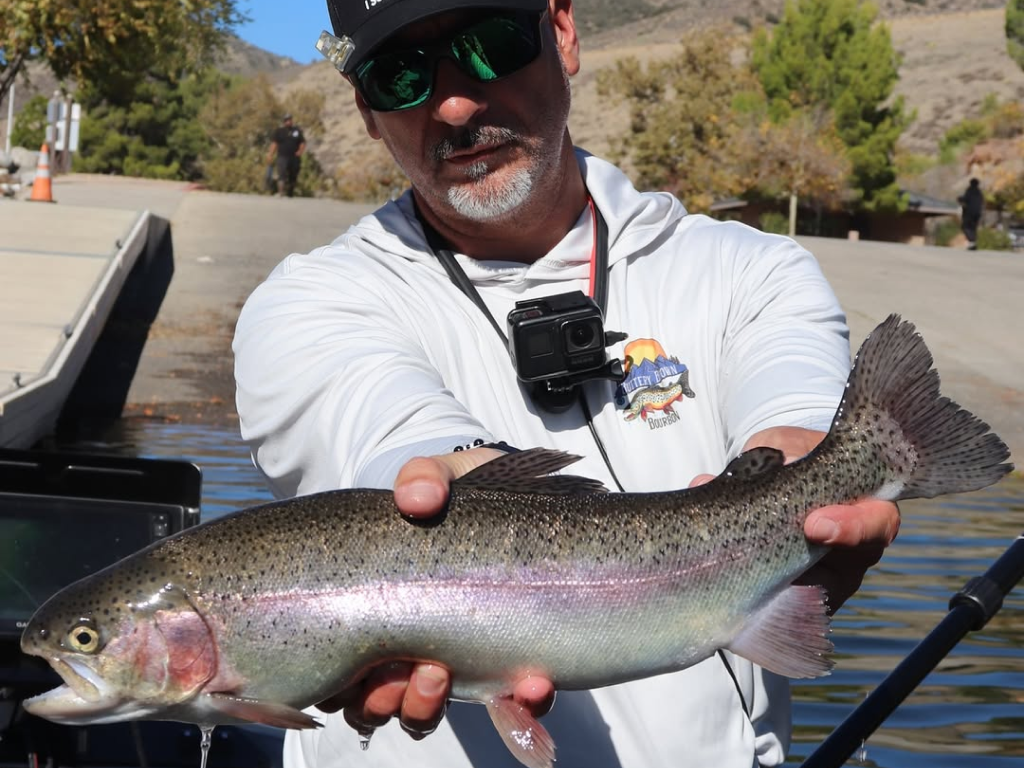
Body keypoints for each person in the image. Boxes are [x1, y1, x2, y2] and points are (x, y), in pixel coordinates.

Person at [232, 0, 900, 766]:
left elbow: (795, 419)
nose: (453, 103)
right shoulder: (305, 305)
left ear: (564, 31)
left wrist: (815, 481)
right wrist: (465, 482)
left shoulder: (753, 273)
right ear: (365, 110)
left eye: (490, 44)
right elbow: (384, 430)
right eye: (400, 75)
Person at [267, 114, 306, 197]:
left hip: (294, 158)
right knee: (282, 174)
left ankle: (290, 193)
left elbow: (302, 143)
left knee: (293, 175)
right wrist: (270, 154)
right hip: (282, 157)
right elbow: (274, 143)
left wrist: (300, 151)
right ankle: (281, 192)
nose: (289, 121)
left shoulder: (297, 131)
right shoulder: (279, 131)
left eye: (290, 120)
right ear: (284, 121)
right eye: (287, 120)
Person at [957, 177, 984, 250]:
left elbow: (965, 199)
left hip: (969, 213)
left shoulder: (970, 190)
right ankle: (972, 243)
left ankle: (972, 241)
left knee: (965, 227)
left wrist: (959, 198)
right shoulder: (979, 192)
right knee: (973, 228)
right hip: (977, 213)